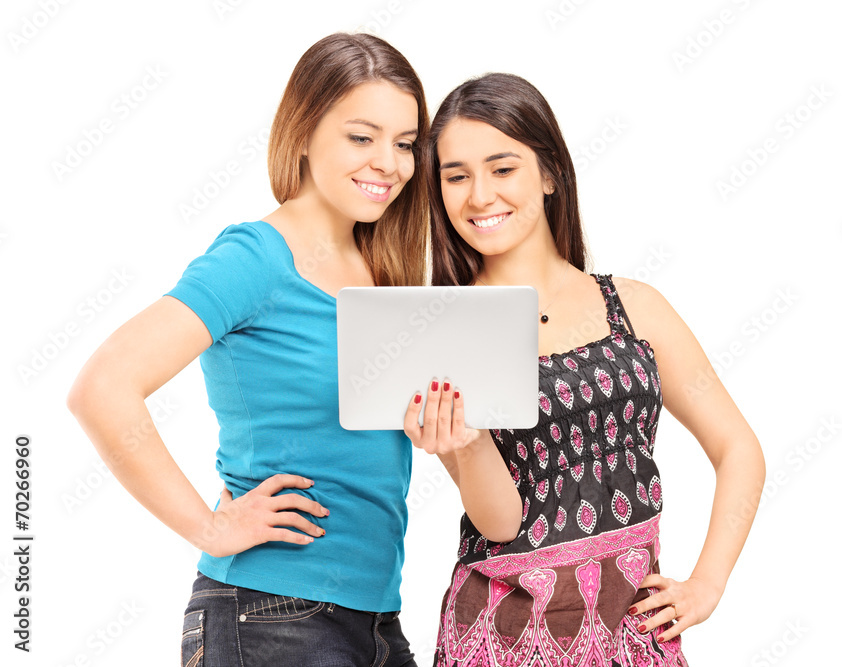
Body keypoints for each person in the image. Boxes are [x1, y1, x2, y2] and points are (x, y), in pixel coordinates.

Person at [67, 33, 429, 666]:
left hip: (376, 620)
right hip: (268, 613)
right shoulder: (256, 256)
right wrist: (210, 529)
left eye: (405, 144)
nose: (389, 163)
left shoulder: (380, 272)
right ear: (306, 131)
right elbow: (102, 387)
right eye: (361, 137)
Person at [404, 73, 766, 666]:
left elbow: (738, 448)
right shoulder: (448, 329)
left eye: (502, 168)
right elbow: (501, 523)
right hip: (499, 641)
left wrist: (707, 584)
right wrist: (465, 446)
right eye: (456, 176)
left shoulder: (635, 307)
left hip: (629, 632)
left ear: (549, 174)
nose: (479, 195)